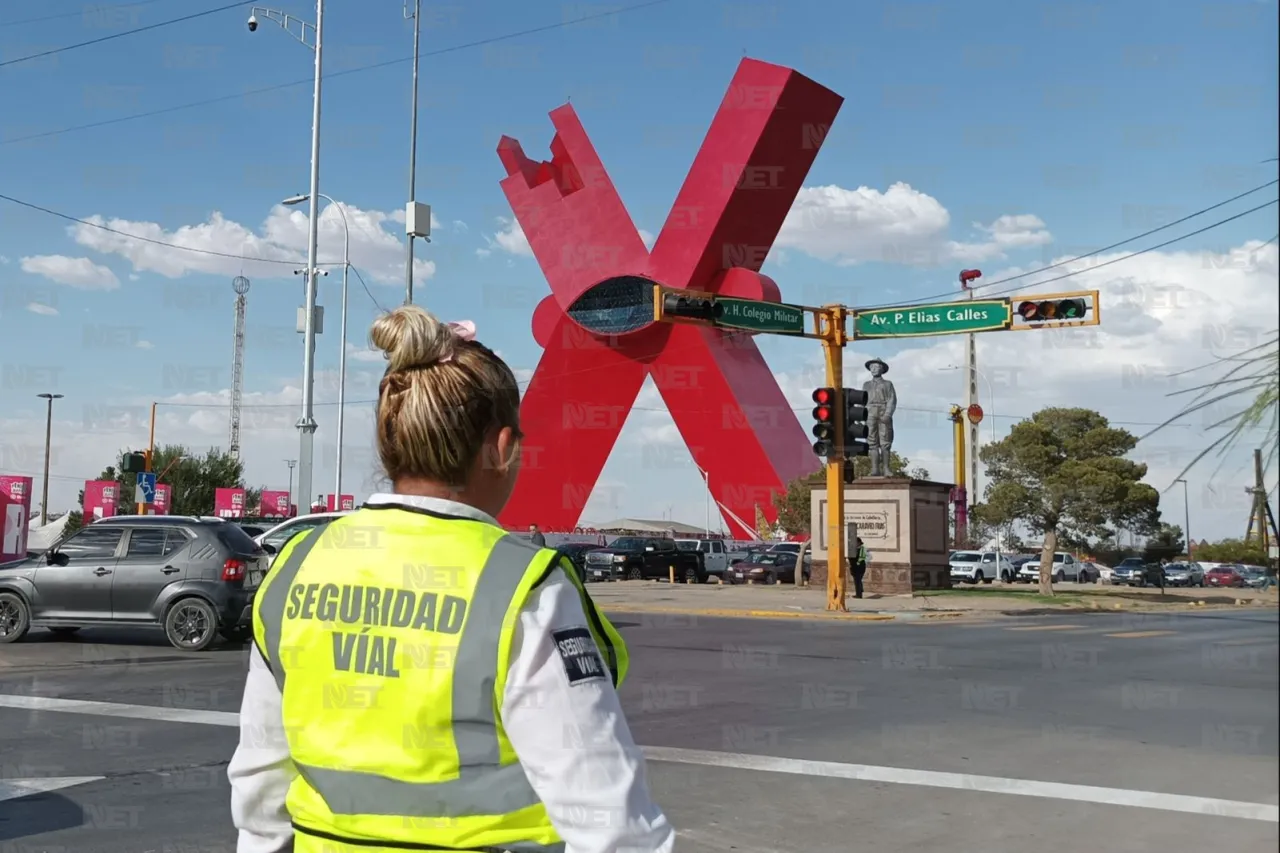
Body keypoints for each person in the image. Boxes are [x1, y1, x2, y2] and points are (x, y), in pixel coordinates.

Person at [228, 306, 675, 853]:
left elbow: (260, 780)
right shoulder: (521, 584)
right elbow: (610, 822)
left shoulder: (297, 565)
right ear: (502, 448)